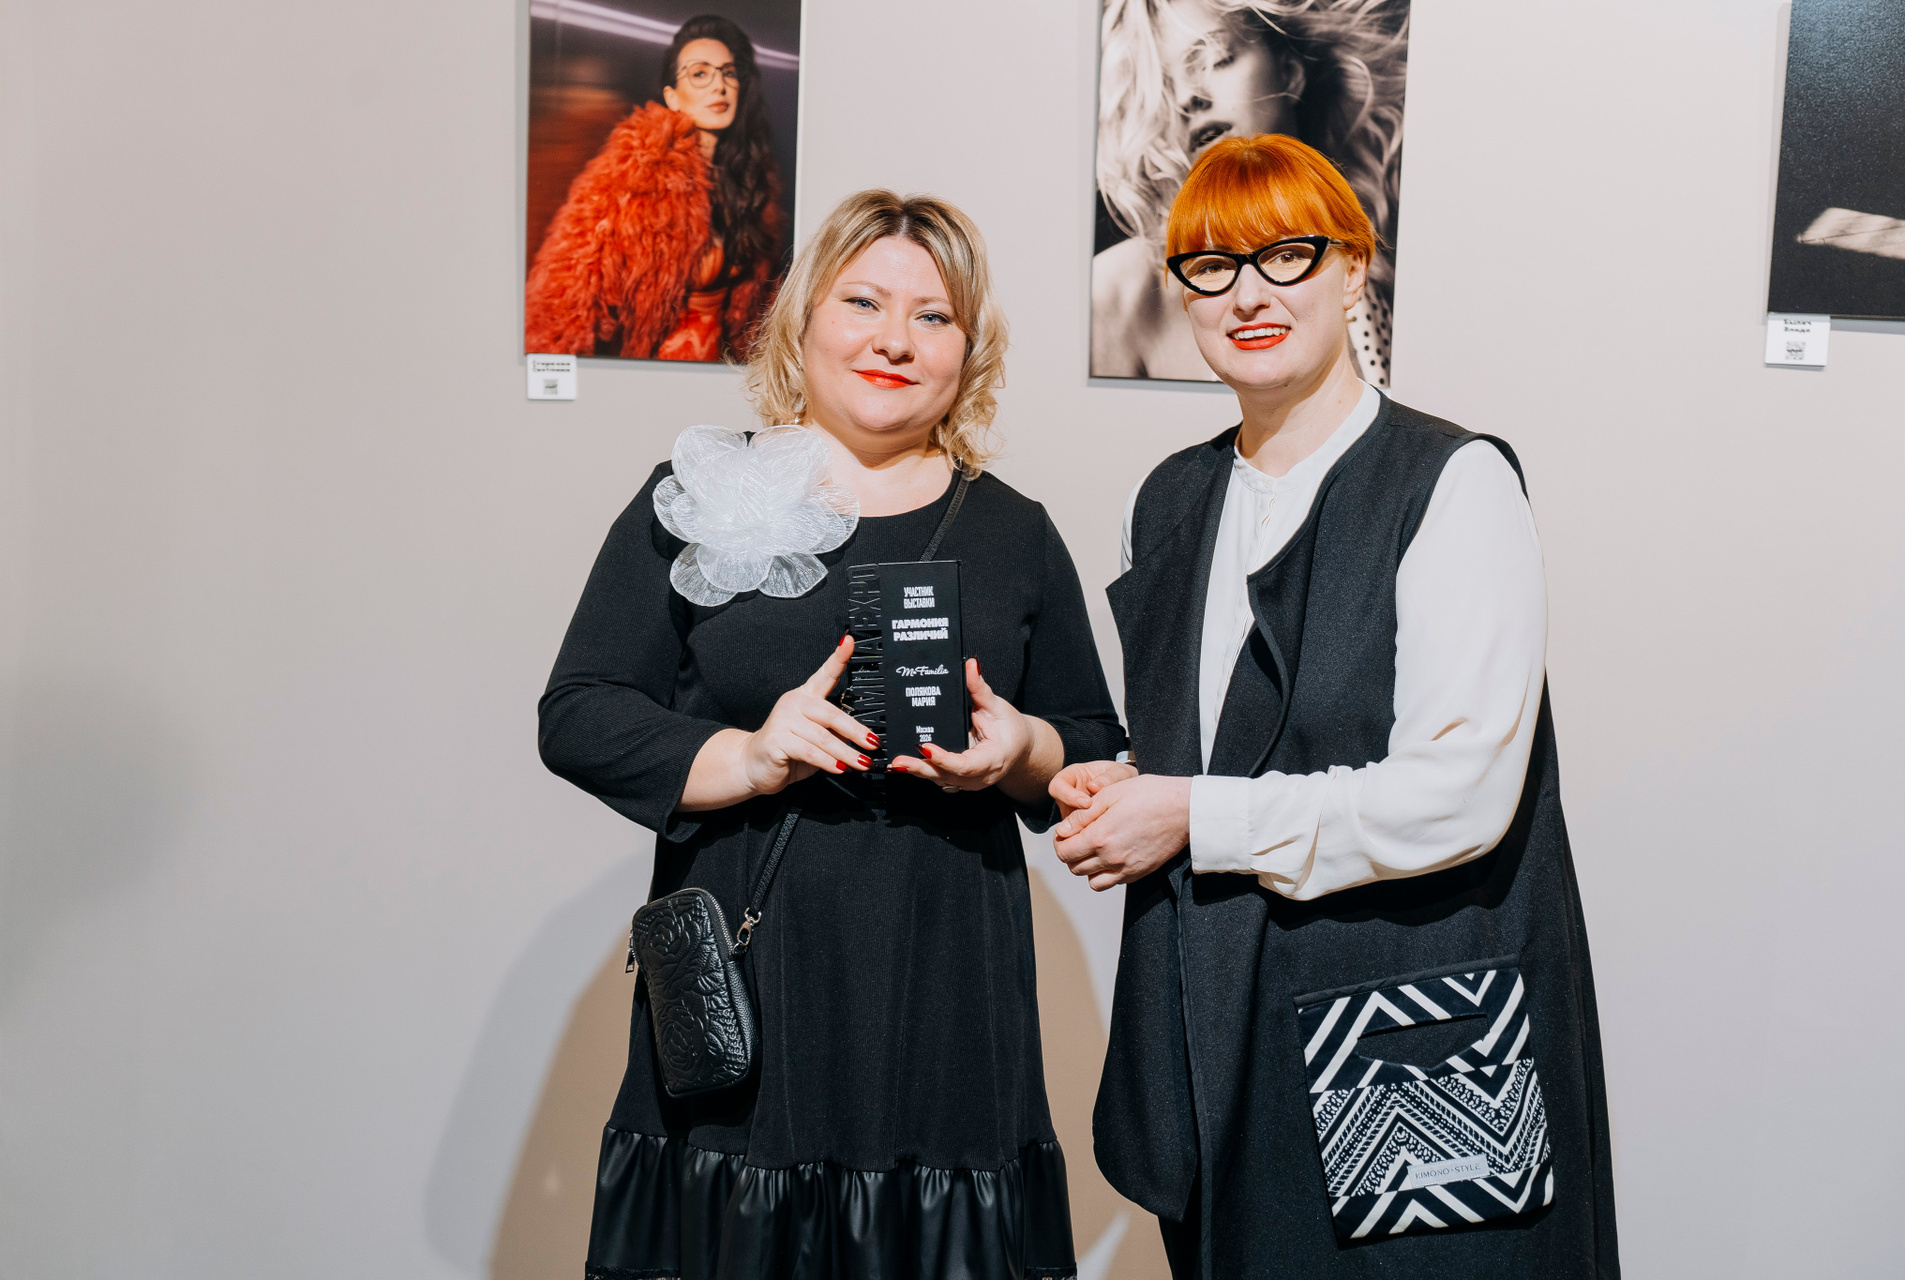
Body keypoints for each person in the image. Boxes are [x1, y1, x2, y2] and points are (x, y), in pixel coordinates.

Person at [1051, 135, 1617, 1277]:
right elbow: (1211, 749)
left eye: (1287, 255)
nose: (1248, 294)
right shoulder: (1166, 503)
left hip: (1411, 1038)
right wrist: (1124, 783)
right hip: (1219, 1022)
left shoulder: (1453, 483)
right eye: (1212, 265)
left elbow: (1461, 793)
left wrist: (1192, 815)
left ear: (1354, 267)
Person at [541, 188, 1124, 1280]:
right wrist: (748, 755)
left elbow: (1091, 750)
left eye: (933, 316)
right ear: (802, 318)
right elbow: (579, 710)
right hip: (756, 981)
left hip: (947, 992)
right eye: (863, 302)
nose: (894, 339)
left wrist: (1022, 749)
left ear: (968, 350)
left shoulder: (1016, 533)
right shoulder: (697, 495)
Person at [1091, 0, 1404, 383]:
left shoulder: (1390, 235)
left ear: (1289, 73)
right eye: (1161, 86)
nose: (1188, 97)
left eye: (1214, 60)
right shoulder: (1115, 296)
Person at [525, 14, 785, 362]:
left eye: (728, 73)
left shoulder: (753, 185)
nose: (719, 86)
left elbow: (759, 315)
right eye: (700, 74)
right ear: (672, 97)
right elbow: (563, 295)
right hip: (652, 376)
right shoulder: (636, 174)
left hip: (723, 380)